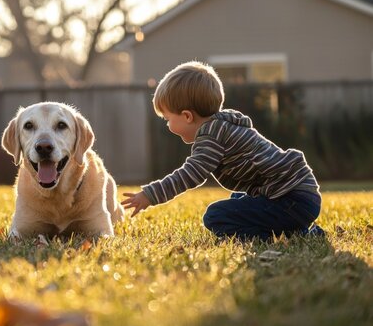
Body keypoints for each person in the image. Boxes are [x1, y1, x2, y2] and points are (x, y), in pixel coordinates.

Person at [122, 61, 323, 240]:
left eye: (168, 119)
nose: (167, 126)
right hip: (297, 195)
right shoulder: (223, 126)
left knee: (216, 216)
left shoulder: (212, 136)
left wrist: (150, 194)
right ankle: (297, 229)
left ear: (187, 116)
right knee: (237, 200)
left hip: (290, 198)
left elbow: (191, 173)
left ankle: (297, 234)